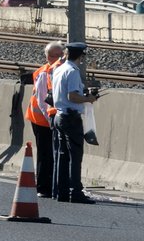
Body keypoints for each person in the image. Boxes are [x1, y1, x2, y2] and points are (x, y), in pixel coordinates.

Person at [52, 42, 99, 203]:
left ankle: (61, 191)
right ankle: (75, 192)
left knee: (63, 156)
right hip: (71, 118)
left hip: (59, 116)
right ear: (81, 56)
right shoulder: (72, 72)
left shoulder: (58, 69)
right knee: (75, 155)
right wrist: (88, 98)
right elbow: (72, 96)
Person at [24, 41, 63, 198]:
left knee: (51, 154)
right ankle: (42, 186)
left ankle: (50, 184)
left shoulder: (57, 70)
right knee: (45, 154)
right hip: (41, 119)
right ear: (49, 56)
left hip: (49, 118)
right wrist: (50, 120)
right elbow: (41, 101)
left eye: (61, 55)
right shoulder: (44, 73)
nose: (60, 58)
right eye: (56, 55)